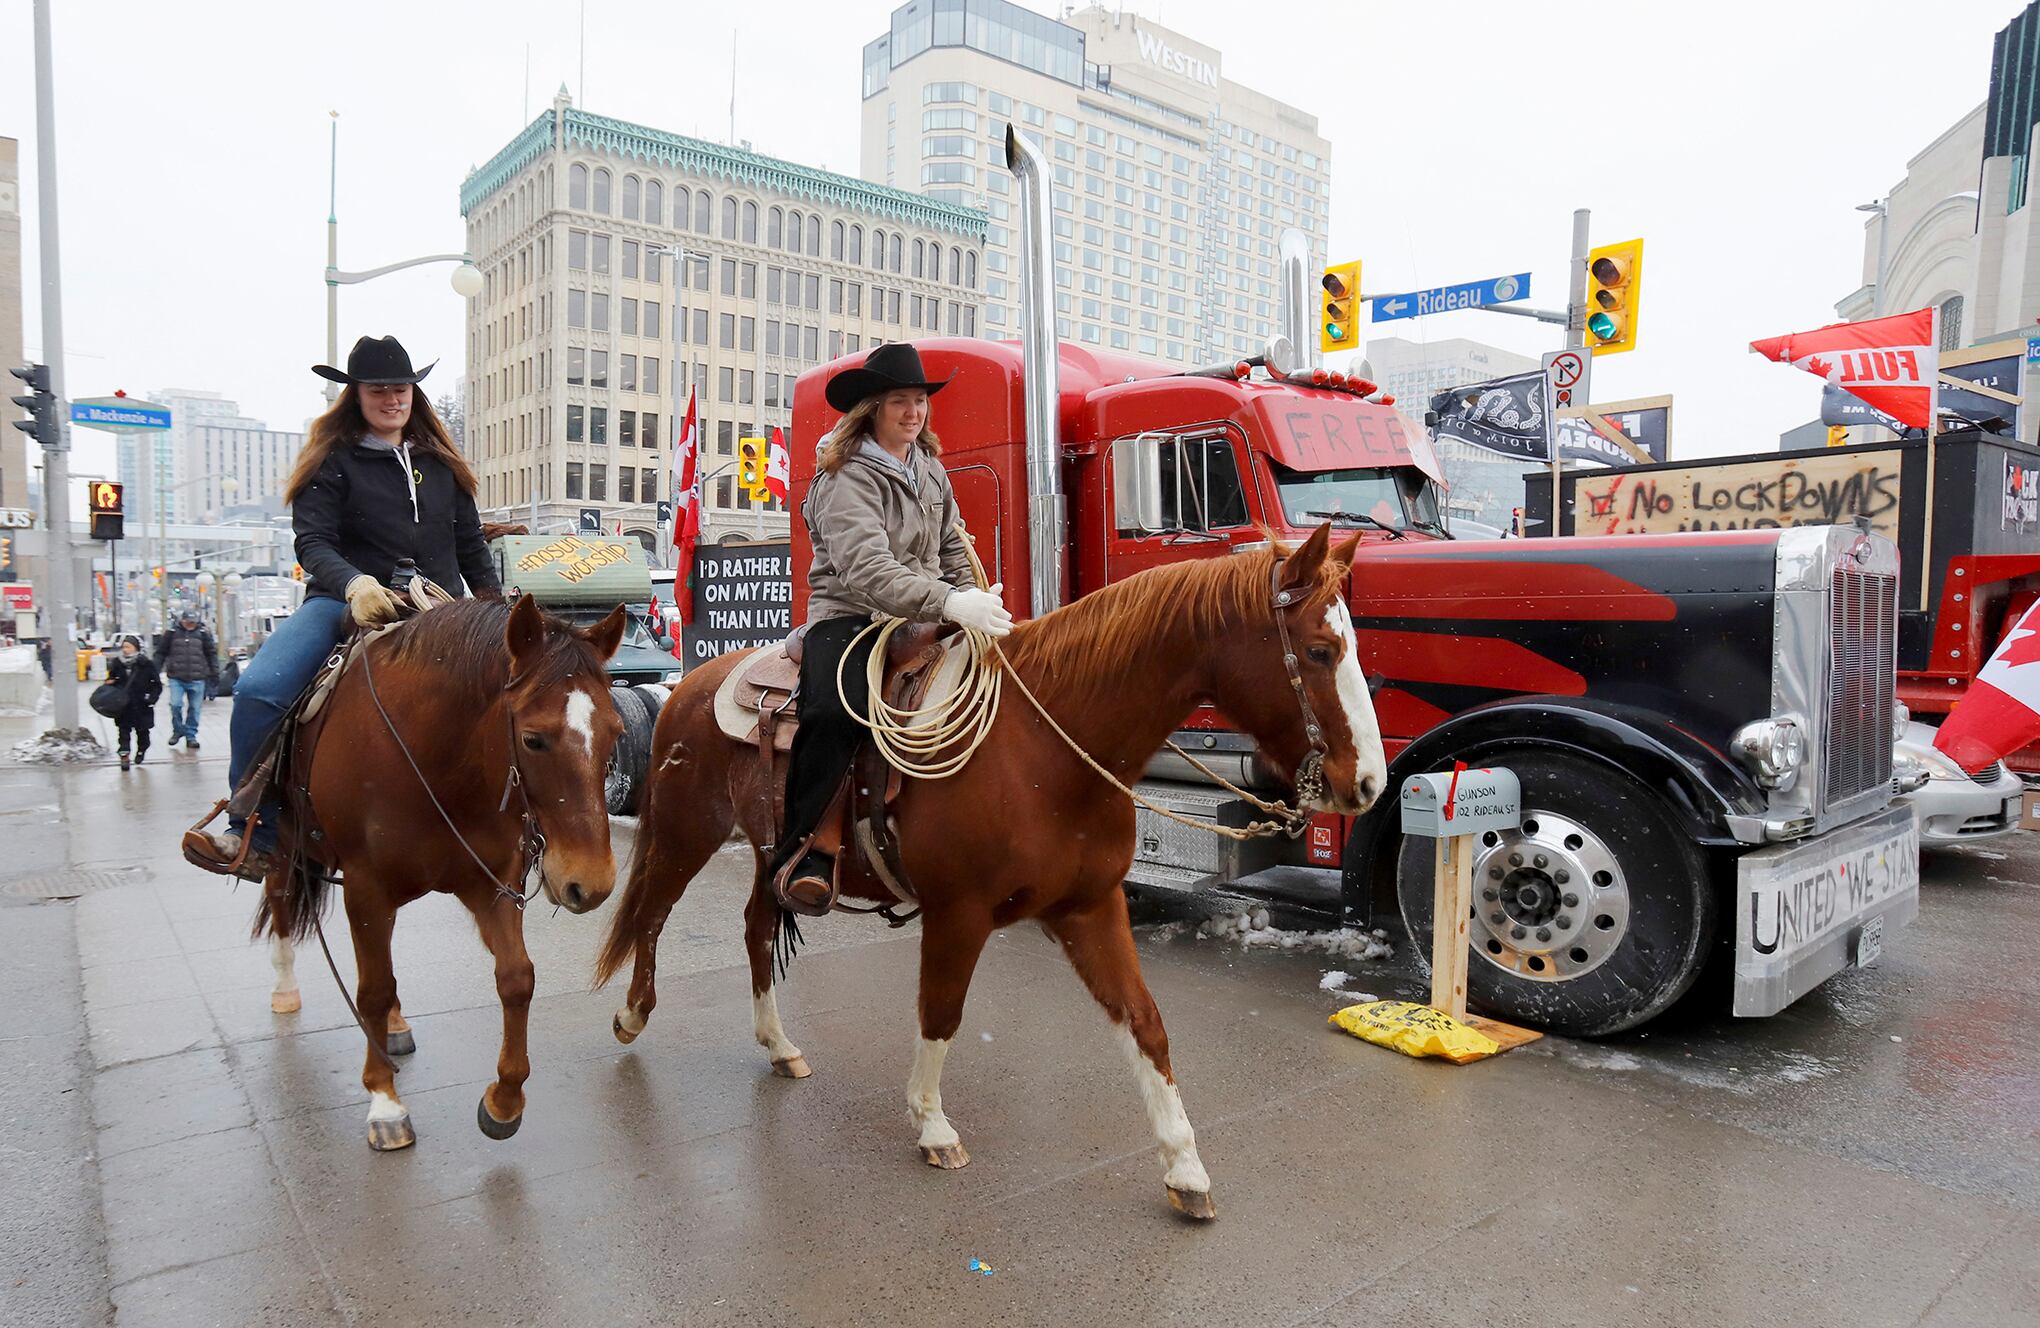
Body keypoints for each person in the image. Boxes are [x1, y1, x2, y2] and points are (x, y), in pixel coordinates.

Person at [186, 335, 501, 878]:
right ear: (355, 394)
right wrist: (356, 584)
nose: (392, 399)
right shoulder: (333, 462)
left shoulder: (442, 466)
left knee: (533, 694)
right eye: (379, 390)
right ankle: (254, 832)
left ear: (413, 394)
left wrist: (497, 608)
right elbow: (313, 544)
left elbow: (470, 544)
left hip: (442, 607)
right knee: (259, 690)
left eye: (401, 389)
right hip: (345, 602)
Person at [770, 342, 1013, 915]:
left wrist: (972, 594)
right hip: (850, 615)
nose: (914, 412)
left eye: (920, 400)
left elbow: (953, 540)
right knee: (834, 711)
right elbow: (868, 569)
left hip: (927, 610)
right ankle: (807, 848)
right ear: (872, 408)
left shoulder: (927, 466)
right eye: (900, 401)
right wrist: (952, 601)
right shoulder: (845, 475)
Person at [155, 608, 220, 749]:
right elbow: (161, 653)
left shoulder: (203, 634)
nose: (190, 625)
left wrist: (215, 672)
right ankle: (178, 730)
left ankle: (191, 735)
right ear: (182, 621)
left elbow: (211, 654)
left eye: (193, 622)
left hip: (198, 677)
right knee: (175, 705)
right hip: (176, 677)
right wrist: (155, 671)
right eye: (188, 622)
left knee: (195, 709)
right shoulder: (171, 634)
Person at [105, 635, 162, 771]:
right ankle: (124, 756)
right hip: (123, 705)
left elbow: (156, 684)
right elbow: (111, 679)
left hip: (141, 705)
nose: (125, 650)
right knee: (123, 732)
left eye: (128, 647)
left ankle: (142, 750)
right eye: (124, 647)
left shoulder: (146, 663)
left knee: (142, 732)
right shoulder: (117, 663)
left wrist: (151, 699)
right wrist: (110, 683)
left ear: (135, 648)